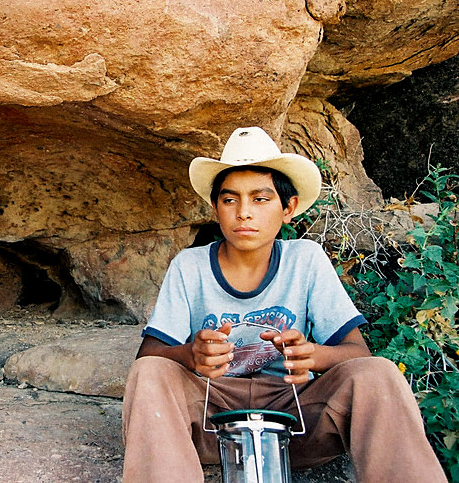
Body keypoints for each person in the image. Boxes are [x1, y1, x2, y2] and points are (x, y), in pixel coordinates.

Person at [121, 126, 447, 483]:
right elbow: (149, 355)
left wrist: (314, 355)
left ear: (288, 207)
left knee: (379, 373)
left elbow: (358, 352)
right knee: (150, 374)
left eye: (260, 199)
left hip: (296, 422)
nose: (244, 212)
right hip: (211, 421)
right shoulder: (190, 265)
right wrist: (191, 355)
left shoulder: (305, 260)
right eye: (230, 199)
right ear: (216, 208)